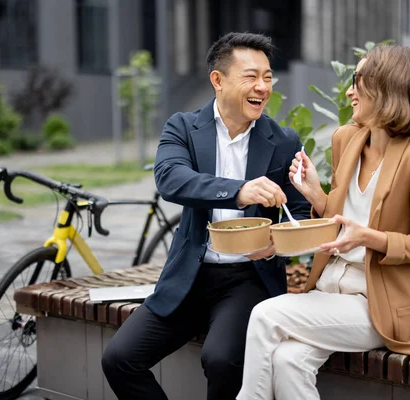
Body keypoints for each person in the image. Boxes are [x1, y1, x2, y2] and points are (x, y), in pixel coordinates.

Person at [236, 44, 410, 400]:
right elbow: (342, 219)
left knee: (264, 316)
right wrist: (316, 195)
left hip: (380, 304)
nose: (350, 90)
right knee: (289, 362)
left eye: (358, 80)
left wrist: (370, 238)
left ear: (387, 87)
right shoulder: (345, 139)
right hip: (330, 289)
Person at [101, 32, 311, 400]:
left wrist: (276, 245)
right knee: (119, 359)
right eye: (251, 76)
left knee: (221, 360)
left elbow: (298, 211)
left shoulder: (284, 140)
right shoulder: (182, 127)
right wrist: (238, 190)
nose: (262, 86)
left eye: (267, 76)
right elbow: (170, 178)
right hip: (189, 276)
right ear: (218, 80)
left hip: (247, 279)